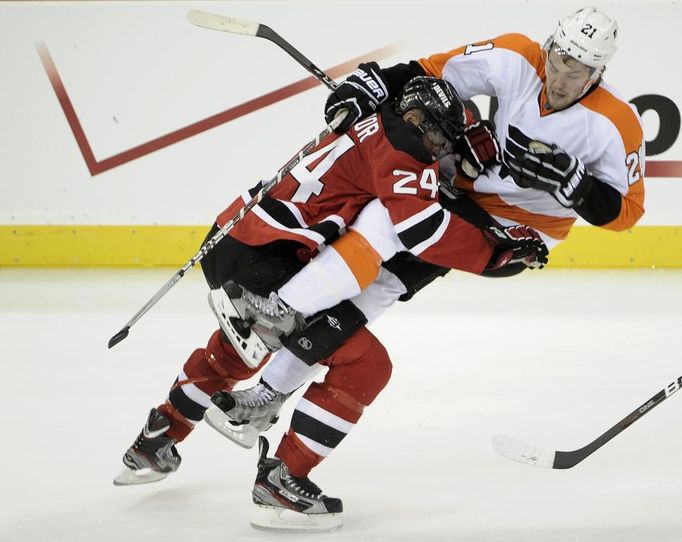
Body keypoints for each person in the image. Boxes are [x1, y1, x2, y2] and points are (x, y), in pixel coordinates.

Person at [203, 5, 646, 531]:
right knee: (369, 293)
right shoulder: (516, 56)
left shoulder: (617, 124)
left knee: (384, 224)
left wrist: (577, 186)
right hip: (463, 195)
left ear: (599, 73)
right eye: (558, 56)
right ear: (548, 44)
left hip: (511, 233)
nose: (561, 74)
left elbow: (626, 214)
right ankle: (269, 393)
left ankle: (279, 315)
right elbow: (432, 70)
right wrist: (373, 82)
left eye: (578, 69)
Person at [114, 74, 545, 516]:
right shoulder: (405, 152)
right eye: (435, 134)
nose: (437, 147)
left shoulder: (375, 119)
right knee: (366, 364)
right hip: (266, 264)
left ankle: (159, 435)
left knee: (245, 346)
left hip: (235, 237)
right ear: (415, 117)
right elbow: (421, 229)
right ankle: (283, 477)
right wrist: (496, 253)